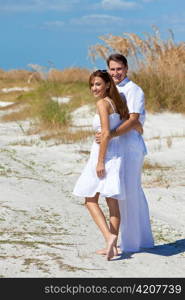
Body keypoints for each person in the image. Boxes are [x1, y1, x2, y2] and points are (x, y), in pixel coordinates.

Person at [73, 70, 142, 260]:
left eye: (97, 84)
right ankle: (112, 247)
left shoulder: (103, 103)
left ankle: (109, 237)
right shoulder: (117, 102)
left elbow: (105, 133)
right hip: (116, 155)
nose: (94, 88)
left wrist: (100, 161)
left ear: (107, 85)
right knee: (112, 202)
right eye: (92, 85)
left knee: (89, 199)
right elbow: (133, 122)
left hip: (104, 155)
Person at [96, 53, 154, 254]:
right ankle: (118, 241)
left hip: (130, 147)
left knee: (130, 191)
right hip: (116, 147)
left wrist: (109, 135)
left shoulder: (134, 90)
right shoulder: (110, 90)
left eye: (119, 69)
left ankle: (136, 242)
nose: (115, 73)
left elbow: (134, 120)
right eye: (112, 69)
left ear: (126, 69)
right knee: (116, 193)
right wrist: (105, 135)